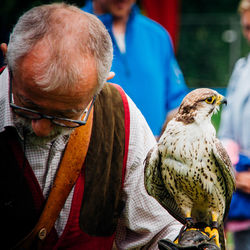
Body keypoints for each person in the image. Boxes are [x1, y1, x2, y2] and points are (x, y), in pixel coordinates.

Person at [0, 3, 183, 249]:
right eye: (28, 105)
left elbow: (161, 228)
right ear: (7, 57)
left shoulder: (119, 112)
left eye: (66, 114)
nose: (41, 128)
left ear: (102, 82)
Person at [82, 0, 188, 136]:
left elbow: (176, 100)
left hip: (153, 151)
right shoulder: (72, 32)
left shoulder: (157, 35)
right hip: (93, 151)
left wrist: (172, 130)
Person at [218, 0, 250, 249]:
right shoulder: (241, 69)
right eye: (249, 27)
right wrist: (232, 173)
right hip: (243, 198)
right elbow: (226, 131)